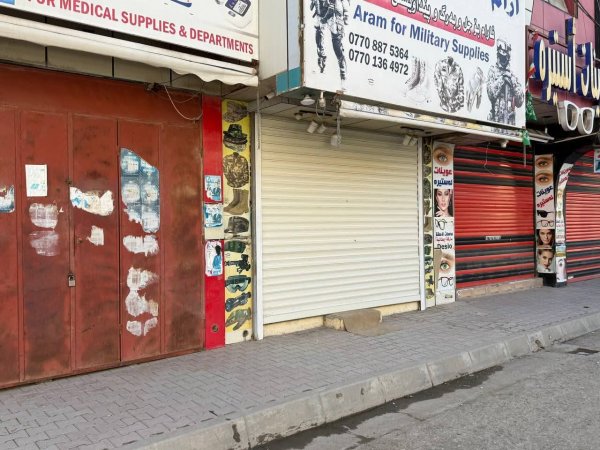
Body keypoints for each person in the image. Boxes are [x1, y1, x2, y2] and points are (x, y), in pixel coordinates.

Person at [487, 39, 524, 125]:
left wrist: (512, 82)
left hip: (509, 122)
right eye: (501, 56)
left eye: (505, 57)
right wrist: (502, 79)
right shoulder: (492, 71)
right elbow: (491, 94)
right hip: (495, 121)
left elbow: (520, 102)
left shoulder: (512, 75)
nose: (503, 59)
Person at [311, 0, 350, 81]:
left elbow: (332, 8)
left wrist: (345, 14)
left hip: (334, 14)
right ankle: (321, 57)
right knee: (319, 32)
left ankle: (342, 66)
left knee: (336, 39)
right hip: (322, 12)